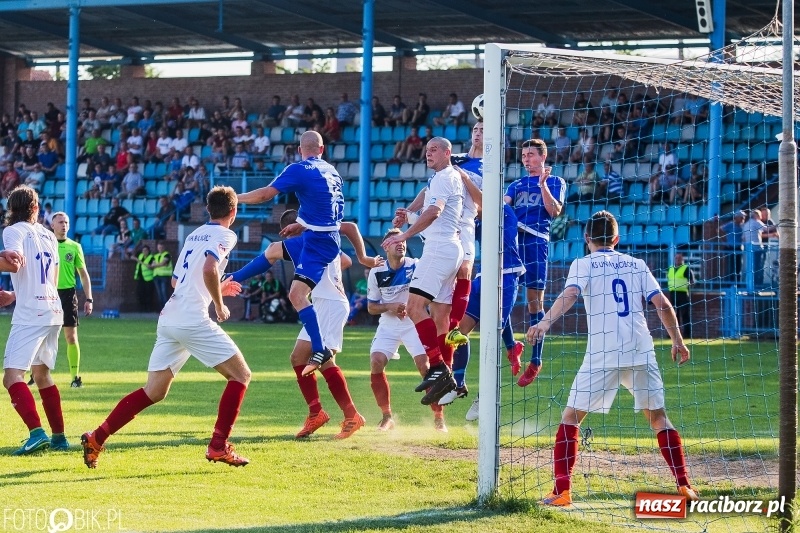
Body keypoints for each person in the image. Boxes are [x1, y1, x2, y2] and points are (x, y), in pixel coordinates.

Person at [527, 210, 699, 506]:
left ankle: (562, 491)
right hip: (641, 349)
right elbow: (662, 303)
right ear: (616, 239)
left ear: (586, 238)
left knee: (571, 417)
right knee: (658, 418)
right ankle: (684, 485)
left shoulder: (583, 263)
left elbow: (570, 294)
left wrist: (544, 322)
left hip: (603, 353)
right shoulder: (637, 263)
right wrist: (678, 341)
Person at [81, 186, 249, 468]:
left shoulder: (194, 235)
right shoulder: (226, 234)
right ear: (233, 211)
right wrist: (219, 305)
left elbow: (176, 281)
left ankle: (96, 437)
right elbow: (209, 269)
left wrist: (216, 289)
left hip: (170, 316)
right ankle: (218, 447)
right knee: (241, 375)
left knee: (154, 391)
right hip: (191, 319)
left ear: (208, 210)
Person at [229, 131, 345, 374]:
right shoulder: (332, 171)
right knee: (273, 250)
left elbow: (264, 195)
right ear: (322, 150)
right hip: (321, 237)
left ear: (300, 150)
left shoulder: (299, 169)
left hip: (319, 244)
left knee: (296, 295)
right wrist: (301, 223)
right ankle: (231, 278)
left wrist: (232, 199)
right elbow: (327, 209)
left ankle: (320, 348)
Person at [387, 137, 464, 405]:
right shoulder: (442, 178)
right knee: (440, 315)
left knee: (414, 307)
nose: (428, 154)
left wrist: (404, 235)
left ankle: (438, 367)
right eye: (427, 150)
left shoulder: (444, 177)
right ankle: (445, 374)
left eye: (434, 150)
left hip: (438, 249)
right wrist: (409, 213)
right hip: (450, 248)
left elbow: (434, 212)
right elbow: (427, 198)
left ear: (447, 152)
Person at [438, 204, 525, 414]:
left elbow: (481, 201)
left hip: (506, 276)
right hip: (482, 277)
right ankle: (458, 384)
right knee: (458, 331)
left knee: (491, 335)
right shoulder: (477, 222)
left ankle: (484, 398)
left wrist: (466, 185)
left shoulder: (503, 210)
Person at [2, 185, 67, 455]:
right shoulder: (49, 235)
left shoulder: (13, 231)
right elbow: (50, 278)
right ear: (36, 208)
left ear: (11, 208)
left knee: (12, 377)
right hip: (53, 308)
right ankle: (59, 437)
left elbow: (14, 263)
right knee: (42, 374)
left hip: (31, 313)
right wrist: (14, 294)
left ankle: (37, 433)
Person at [367, 228, 448, 432]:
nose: (401, 243)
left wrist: (416, 306)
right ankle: (387, 417)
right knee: (376, 362)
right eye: (395, 241)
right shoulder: (376, 272)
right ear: (385, 247)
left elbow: (432, 292)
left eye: (403, 240)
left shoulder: (417, 266)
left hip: (415, 323)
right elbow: (371, 307)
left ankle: (439, 418)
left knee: (425, 366)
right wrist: (390, 306)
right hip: (388, 325)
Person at [504, 138, 566, 387]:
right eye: (523, 155)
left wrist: (542, 186)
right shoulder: (515, 185)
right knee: (500, 296)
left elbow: (554, 211)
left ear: (543, 156)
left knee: (534, 302)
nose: (526, 159)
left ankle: (536, 360)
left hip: (536, 241)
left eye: (530, 154)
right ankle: (512, 346)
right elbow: (503, 207)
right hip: (513, 241)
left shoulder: (555, 181)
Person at [51, 212, 93, 388]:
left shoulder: (75, 246)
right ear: (52, 225)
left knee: (71, 337)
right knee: (43, 336)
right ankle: (35, 374)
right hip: (48, 294)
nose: (64, 225)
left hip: (68, 295)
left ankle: (75, 378)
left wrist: (89, 298)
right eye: (60, 222)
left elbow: (83, 274)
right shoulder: (46, 244)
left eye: (66, 222)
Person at [741, 209, 766, 287]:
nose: (761, 217)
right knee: (758, 267)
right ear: (756, 215)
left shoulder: (746, 224)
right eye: (759, 215)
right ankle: (756, 286)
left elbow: (743, 237)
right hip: (756, 248)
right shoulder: (756, 222)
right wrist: (779, 225)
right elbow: (766, 229)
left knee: (749, 267)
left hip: (748, 248)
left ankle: (748, 285)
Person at [720, 211, 745, 284]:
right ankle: (729, 284)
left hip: (739, 248)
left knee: (739, 266)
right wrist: (724, 241)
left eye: (743, 217)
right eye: (741, 217)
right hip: (730, 248)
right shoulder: (731, 224)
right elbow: (719, 230)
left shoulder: (743, 226)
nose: (743, 219)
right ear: (736, 217)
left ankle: (738, 284)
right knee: (730, 266)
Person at [151, 241, 174, 308]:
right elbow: (152, 265)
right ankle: (161, 308)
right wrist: (159, 264)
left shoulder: (167, 255)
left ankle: (167, 308)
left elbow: (163, 263)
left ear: (164, 247)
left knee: (164, 292)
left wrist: (156, 265)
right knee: (159, 293)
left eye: (161, 247)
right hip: (156, 276)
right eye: (159, 247)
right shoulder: (155, 256)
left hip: (164, 276)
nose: (160, 248)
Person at [134, 244, 155, 312]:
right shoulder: (140, 256)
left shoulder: (151, 257)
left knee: (148, 294)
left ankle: (148, 309)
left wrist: (141, 262)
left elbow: (151, 267)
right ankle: (141, 308)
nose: (144, 252)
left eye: (146, 250)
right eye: (143, 250)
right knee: (140, 293)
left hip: (148, 279)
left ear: (148, 251)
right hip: (140, 278)